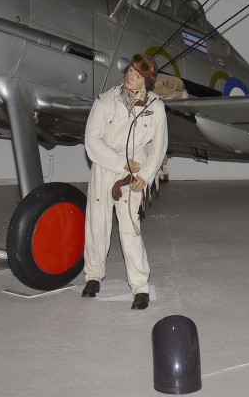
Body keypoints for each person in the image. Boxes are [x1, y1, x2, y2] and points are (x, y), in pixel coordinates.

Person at [81, 54, 168, 310]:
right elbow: (92, 141)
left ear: (146, 82)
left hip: (134, 174)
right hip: (105, 168)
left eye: (138, 75)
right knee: (97, 225)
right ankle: (93, 276)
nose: (131, 76)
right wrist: (121, 162)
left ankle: (140, 287)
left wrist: (146, 175)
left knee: (130, 229)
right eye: (130, 70)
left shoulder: (156, 107)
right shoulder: (105, 101)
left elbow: (159, 147)